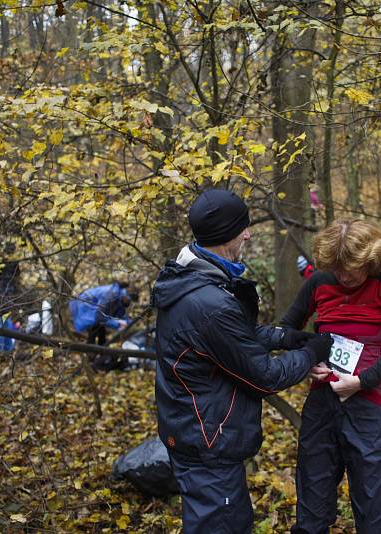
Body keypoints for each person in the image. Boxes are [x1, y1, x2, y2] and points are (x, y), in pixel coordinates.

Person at [151, 188, 333, 533]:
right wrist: (311, 352)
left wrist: (287, 337)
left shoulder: (190, 277)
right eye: (242, 228)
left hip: (194, 431)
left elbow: (231, 342)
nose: (248, 234)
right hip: (208, 440)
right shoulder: (209, 302)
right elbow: (264, 375)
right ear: (224, 236)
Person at [280, 219, 381, 533]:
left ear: (371, 260)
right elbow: (286, 330)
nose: (344, 276)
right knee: (310, 512)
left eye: (352, 269)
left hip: (371, 407)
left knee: (373, 513)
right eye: (337, 269)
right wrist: (307, 358)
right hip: (322, 404)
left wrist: (363, 381)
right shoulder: (319, 281)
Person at [69, 281, 132, 346]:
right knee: (95, 326)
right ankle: (94, 349)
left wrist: (127, 322)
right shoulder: (112, 294)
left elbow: (119, 313)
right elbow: (98, 316)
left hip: (92, 311)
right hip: (83, 307)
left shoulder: (120, 294)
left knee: (100, 329)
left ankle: (99, 348)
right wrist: (117, 324)